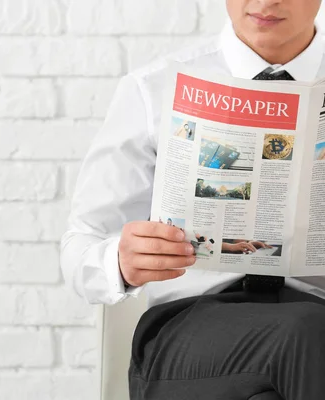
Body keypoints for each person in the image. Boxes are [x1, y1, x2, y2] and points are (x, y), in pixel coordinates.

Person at [60, 1, 325, 399]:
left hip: (314, 318)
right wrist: (121, 261)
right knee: (306, 331)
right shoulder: (153, 87)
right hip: (192, 328)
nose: (267, 1)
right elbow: (81, 244)